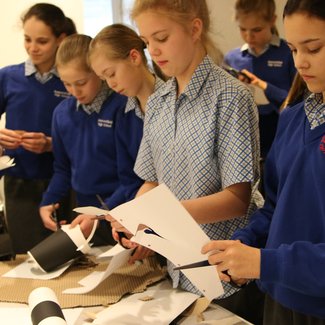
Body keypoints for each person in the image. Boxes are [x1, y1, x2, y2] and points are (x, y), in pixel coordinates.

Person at [106, 0, 262, 321]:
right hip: (176, 266)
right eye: (147, 42)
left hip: (224, 271)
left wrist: (158, 218)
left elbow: (237, 199)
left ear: (194, 29)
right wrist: (133, 219)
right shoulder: (159, 101)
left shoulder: (230, 97)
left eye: (161, 38)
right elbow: (151, 180)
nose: (154, 51)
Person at [202, 0, 325, 323]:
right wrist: (245, 243)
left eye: (313, 49)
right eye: (295, 50)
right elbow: (275, 206)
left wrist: (265, 263)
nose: (300, 63)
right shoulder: (294, 117)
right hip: (281, 296)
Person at [39, 33, 145, 246]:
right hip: (85, 213)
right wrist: (49, 200)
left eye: (81, 82)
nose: (75, 91)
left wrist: (101, 212)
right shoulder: (61, 113)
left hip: (124, 208)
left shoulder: (124, 106)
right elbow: (63, 169)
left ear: (98, 73)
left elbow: (137, 174)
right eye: (67, 84)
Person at [67, 24, 165, 242]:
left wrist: (141, 221)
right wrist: (113, 215)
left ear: (134, 57)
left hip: (175, 217)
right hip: (143, 219)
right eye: (104, 79)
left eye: (111, 74)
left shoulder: (172, 104)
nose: (111, 84)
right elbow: (130, 180)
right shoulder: (124, 113)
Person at [0, 3, 76, 253]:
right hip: (19, 183)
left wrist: (51, 144)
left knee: (70, 258)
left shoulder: (71, 80)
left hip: (66, 183)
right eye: (27, 39)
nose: (33, 48)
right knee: (27, 258)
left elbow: (86, 133)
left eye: (41, 41)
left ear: (60, 39)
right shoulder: (8, 77)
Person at [224, 0, 296, 161]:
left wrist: (262, 86)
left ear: (272, 20)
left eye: (257, 30)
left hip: (282, 135)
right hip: (243, 138)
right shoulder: (232, 58)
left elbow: (298, 101)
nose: (249, 36)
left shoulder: (289, 52)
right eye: (243, 29)